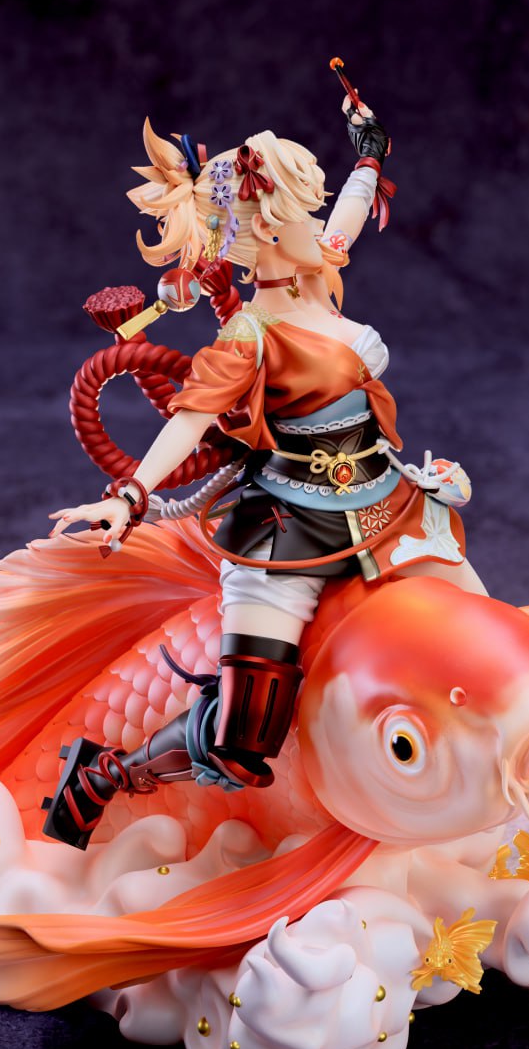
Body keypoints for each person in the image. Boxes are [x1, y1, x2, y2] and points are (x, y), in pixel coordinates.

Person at [44, 98, 487, 849]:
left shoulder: (320, 263)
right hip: (287, 529)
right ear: (267, 233)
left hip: (386, 500)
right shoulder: (250, 335)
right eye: (300, 214)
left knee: (477, 623)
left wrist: (370, 153)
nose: (321, 227)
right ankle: (105, 775)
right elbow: (189, 418)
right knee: (243, 735)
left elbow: (348, 214)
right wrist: (131, 496)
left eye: (312, 211)